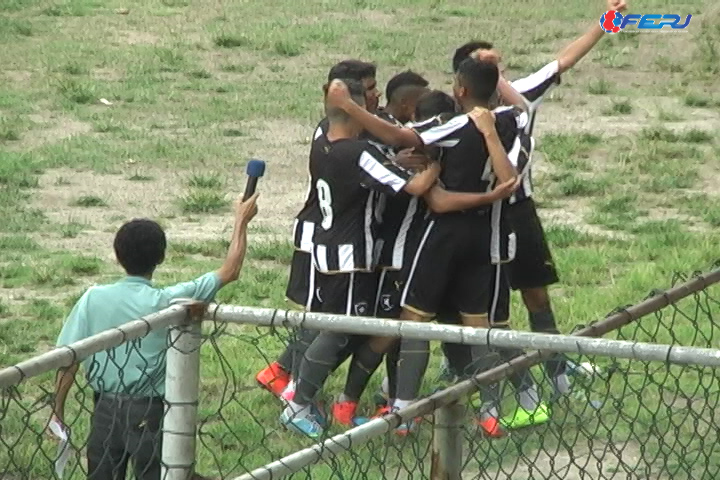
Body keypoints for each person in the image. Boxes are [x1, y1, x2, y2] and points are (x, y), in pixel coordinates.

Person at [51, 193, 259, 480]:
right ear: (161, 257)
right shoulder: (168, 302)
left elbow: (68, 362)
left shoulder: (92, 299)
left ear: (117, 254)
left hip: (105, 410)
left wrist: (57, 411)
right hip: (150, 412)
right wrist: (241, 220)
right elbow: (230, 269)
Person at [280, 78, 442, 438]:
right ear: (356, 113)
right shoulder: (358, 154)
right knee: (340, 331)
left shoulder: (324, 141)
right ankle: (297, 400)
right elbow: (414, 186)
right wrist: (435, 166)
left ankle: (299, 394)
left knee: (338, 328)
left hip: (326, 248)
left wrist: (391, 160)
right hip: (351, 255)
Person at [256, 60, 380, 399]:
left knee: (324, 317)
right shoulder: (346, 138)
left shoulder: (338, 132)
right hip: (325, 237)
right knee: (331, 320)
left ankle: (282, 374)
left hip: (324, 235)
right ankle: (293, 386)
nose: (375, 95)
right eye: (369, 89)